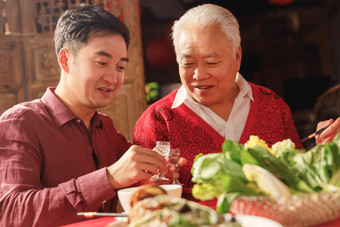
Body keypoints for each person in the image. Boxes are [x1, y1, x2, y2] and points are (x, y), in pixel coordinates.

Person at [134, 4, 340, 200]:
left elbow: (300, 182)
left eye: (211, 62)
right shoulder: (158, 120)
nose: (198, 74)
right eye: (187, 63)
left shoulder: (272, 106)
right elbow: (143, 200)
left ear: (237, 56)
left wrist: (324, 153)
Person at [0, 4, 171, 227]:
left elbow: (136, 183)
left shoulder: (106, 129)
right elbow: (10, 213)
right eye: (102, 63)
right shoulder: (20, 123)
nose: (113, 78)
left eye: (120, 67)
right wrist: (108, 178)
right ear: (65, 60)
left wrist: (159, 169)